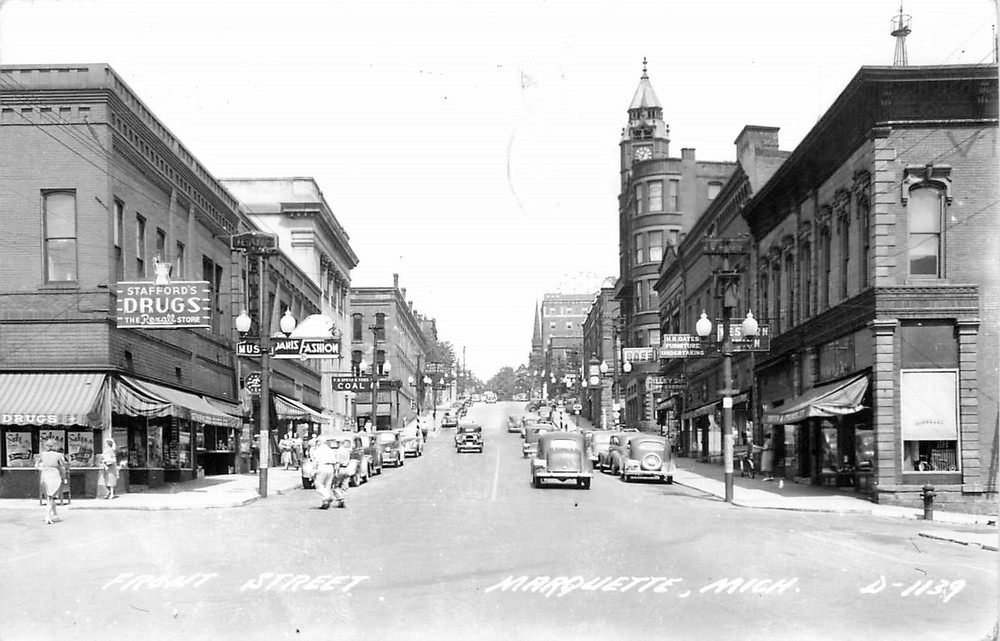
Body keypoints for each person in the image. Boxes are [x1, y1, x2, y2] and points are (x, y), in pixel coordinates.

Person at [36, 439, 68, 524]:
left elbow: (36, 465)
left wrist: (42, 468)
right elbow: (63, 467)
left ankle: (55, 515)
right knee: (51, 497)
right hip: (54, 475)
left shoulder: (42, 455)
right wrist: (64, 478)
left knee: (50, 495)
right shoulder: (59, 455)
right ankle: (47, 516)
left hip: (44, 475)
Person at [312, 436, 340, 509]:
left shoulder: (318, 450)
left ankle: (326, 497)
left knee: (318, 484)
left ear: (320, 442)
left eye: (317, 442)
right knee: (327, 485)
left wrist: (313, 470)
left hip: (322, 466)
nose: (317, 443)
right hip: (330, 467)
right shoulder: (330, 450)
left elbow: (315, 461)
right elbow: (335, 460)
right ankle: (325, 503)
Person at [330, 437, 353, 508]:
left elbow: (338, 462)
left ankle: (341, 498)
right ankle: (341, 501)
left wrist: (336, 471)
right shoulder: (347, 451)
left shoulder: (338, 451)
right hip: (346, 469)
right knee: (344, 486)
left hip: (340, 469)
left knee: (334, 486)